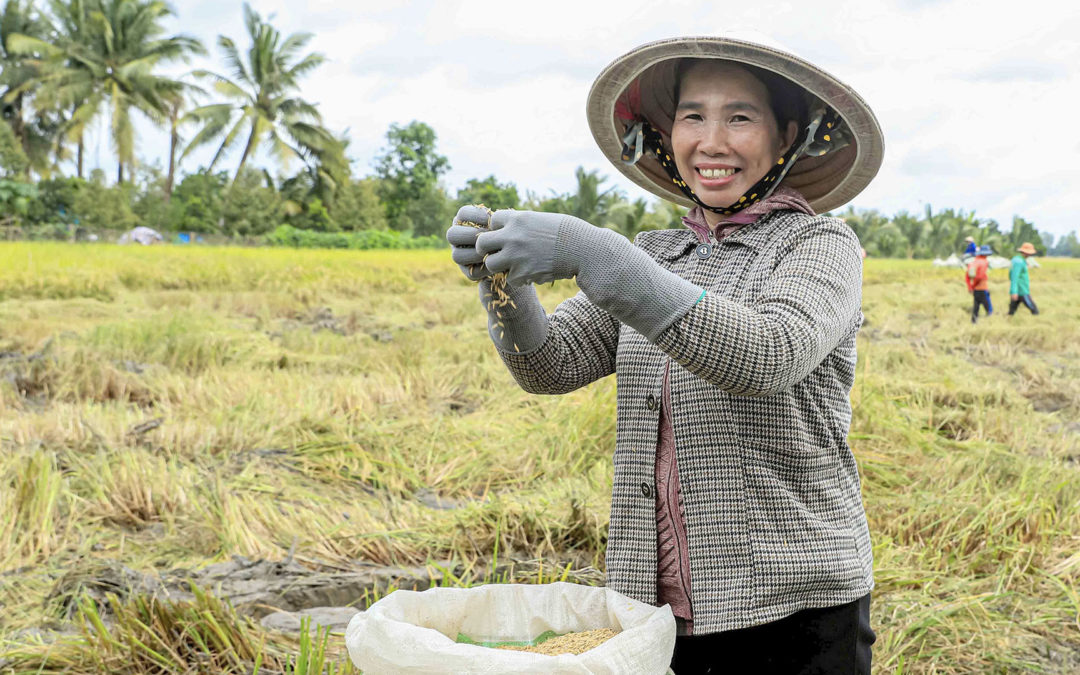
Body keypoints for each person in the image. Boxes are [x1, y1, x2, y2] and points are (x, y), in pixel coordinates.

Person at [447, 34, 882, 674]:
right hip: (657, 608)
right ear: (669, 134)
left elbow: (767, 355)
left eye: (740, 116)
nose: (712, 140)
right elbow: (551, 365)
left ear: (785, 136)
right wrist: (501, 282)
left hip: (795, 608)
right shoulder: (655, 255)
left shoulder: (821, 246)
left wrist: (592, 250)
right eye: (692, 116)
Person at [1008, 242, 1040, 317]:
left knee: (1011, 312)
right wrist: (1014, 292)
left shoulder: (1019, 260)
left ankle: (1008, 323)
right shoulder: (1019, 262)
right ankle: (1037, 323)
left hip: (1019, 289)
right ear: (1025, 252)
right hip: (1022, 291)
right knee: (1034, 310)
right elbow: (1014, 277)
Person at [966, 244, 993, 323]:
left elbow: (967, 277)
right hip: (982, 288)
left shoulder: (973, 262)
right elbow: (980, 276)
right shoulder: (984, 262)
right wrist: (975, 285)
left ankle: (974, 323)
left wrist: (970, 287)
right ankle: (991, 323)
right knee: (989, 309)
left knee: (976, 308)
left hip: (975, 290)